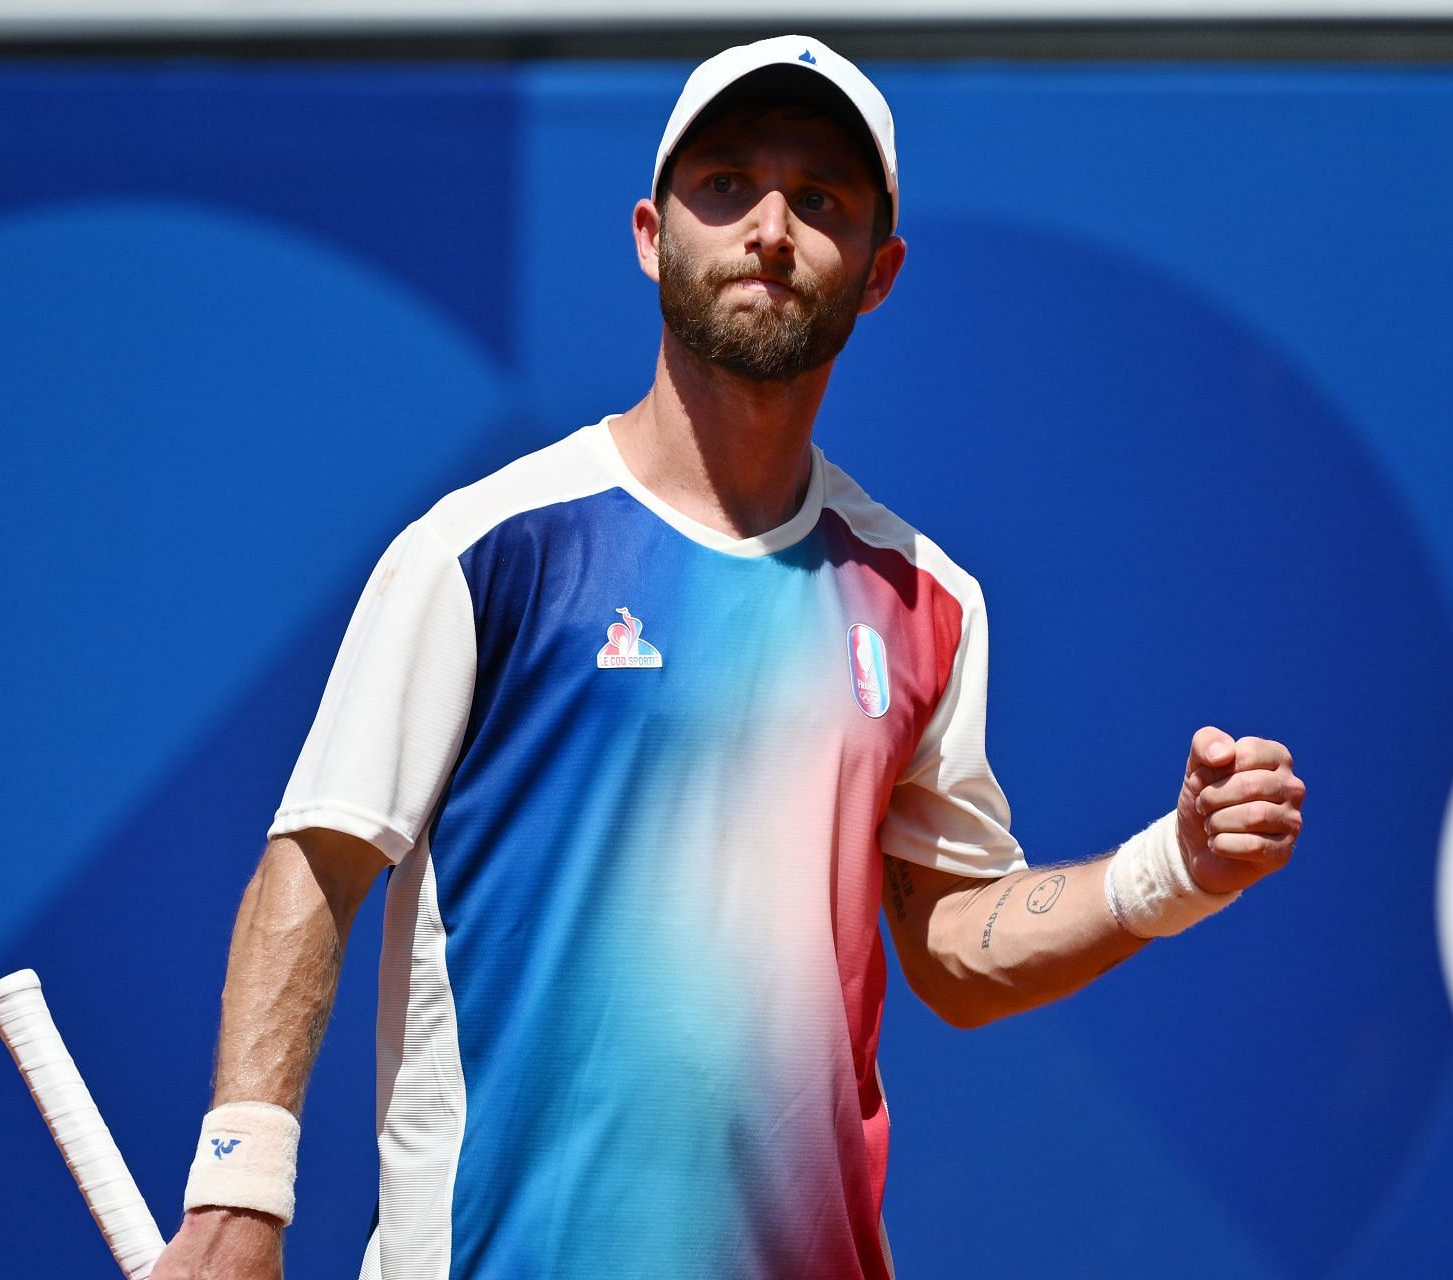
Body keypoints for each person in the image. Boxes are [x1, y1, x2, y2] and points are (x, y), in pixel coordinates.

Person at [151, 34, 1305, 1280]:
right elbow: (318, 861)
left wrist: (1172, 867)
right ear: (652, 233)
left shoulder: (926, 599)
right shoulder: (486, 549)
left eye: (820, 201)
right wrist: (241, 1192)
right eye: (727, 186)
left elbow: (953, 944)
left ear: (877, 273)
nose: (769, 227)